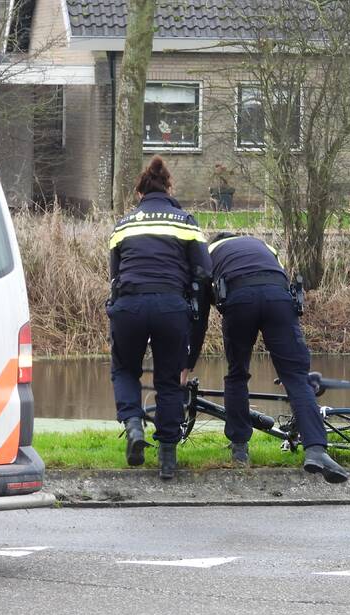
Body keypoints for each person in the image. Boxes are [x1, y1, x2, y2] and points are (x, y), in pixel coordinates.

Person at [208, 231, 349, 483]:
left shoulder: (210, 252)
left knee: (237, 373)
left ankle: (240, 448)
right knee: (296, 377)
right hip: (278, 298)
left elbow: (208, 294)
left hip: (240, 300)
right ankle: (316, 449)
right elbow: (279, 275)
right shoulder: (264, 246)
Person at [107, 156, 211, 480]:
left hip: (130, 306)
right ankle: (168, 457)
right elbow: (205, 273)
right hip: (171, 307)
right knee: (168, 379)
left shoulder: (123, 225)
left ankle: (134, 425)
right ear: (169, 187)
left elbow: (114, 274)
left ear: (139, 193)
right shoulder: (186, 222)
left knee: (125, 368)